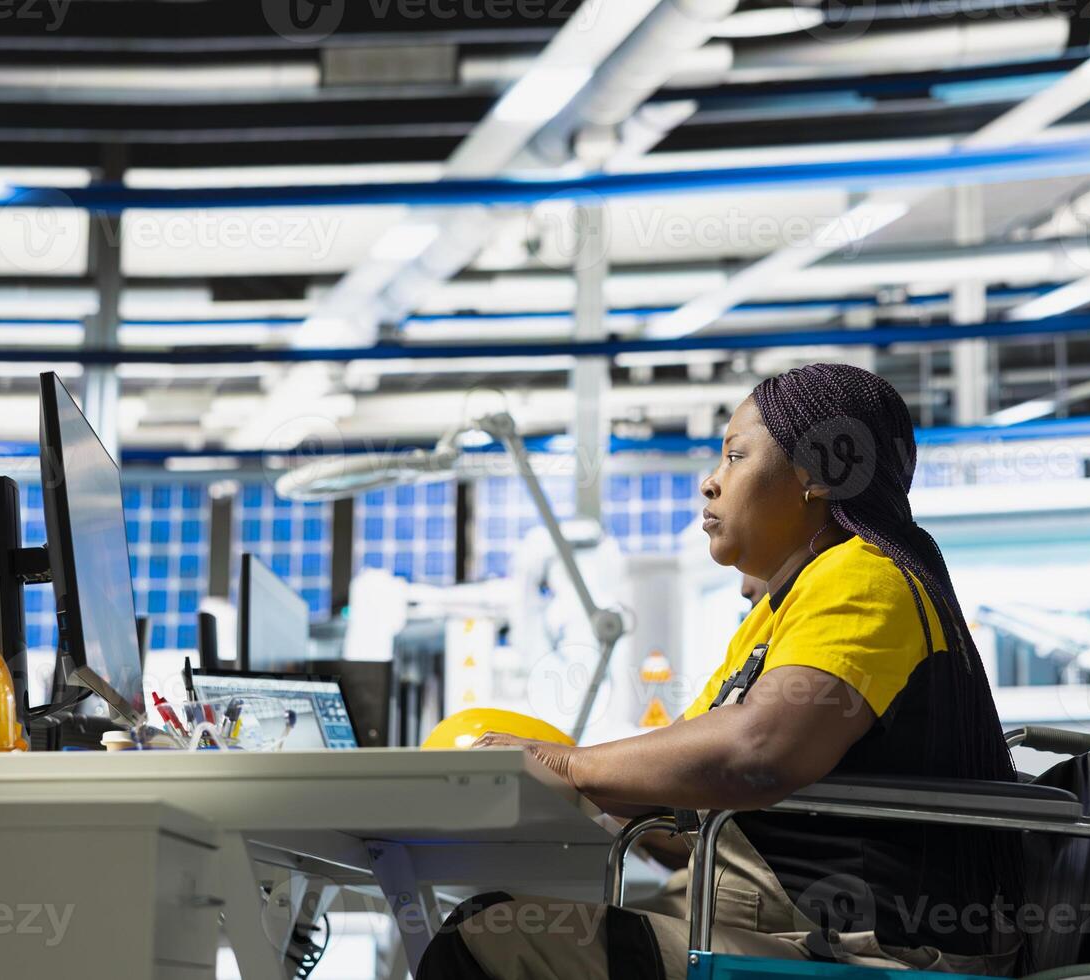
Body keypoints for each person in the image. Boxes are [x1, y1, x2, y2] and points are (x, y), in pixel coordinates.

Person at [419, 363, 1024, 979]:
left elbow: (759, 751)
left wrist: (571, 766)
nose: (710, 483)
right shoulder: (774, 615)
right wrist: (580, 787)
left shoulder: (865, 577)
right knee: (507, 918)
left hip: (869, 952)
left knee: (491, 936)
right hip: (776, 922)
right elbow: (685, 779)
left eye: (735, 456)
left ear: (819, 473)